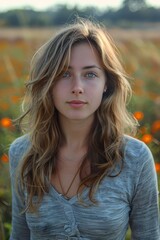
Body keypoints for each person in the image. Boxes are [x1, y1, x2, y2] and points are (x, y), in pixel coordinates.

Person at [9, 18, 159, 240]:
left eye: (90, 74)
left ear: (106, 83)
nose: (77, 88)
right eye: (64, 74)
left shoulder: (135, 158)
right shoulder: (22, 152)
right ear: (48, 82)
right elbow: (20, 234)